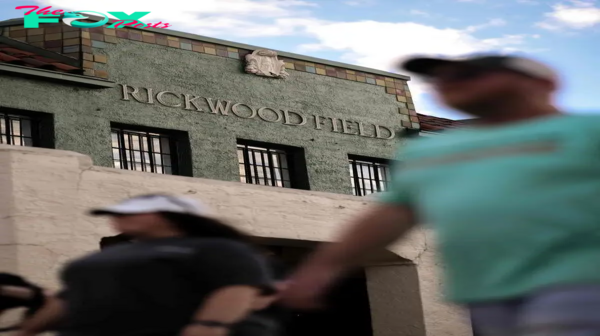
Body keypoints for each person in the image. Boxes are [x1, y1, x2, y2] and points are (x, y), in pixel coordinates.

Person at [279, 54, 600, 336]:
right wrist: (322, 267)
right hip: (487, 292)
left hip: (581, 279)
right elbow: (394, 213)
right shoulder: (432, 149)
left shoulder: (586, 131)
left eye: (469, 74)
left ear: (542, 82)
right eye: (438, 78)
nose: (447, 82)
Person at [16, 194, 277, 336]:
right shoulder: (106, 257)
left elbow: (236, 287)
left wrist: (210, 326)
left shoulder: (215, 248)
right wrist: (31, 328)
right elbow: (72, 296)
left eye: (135, 211)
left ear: (171, 217)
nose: (119, 216)